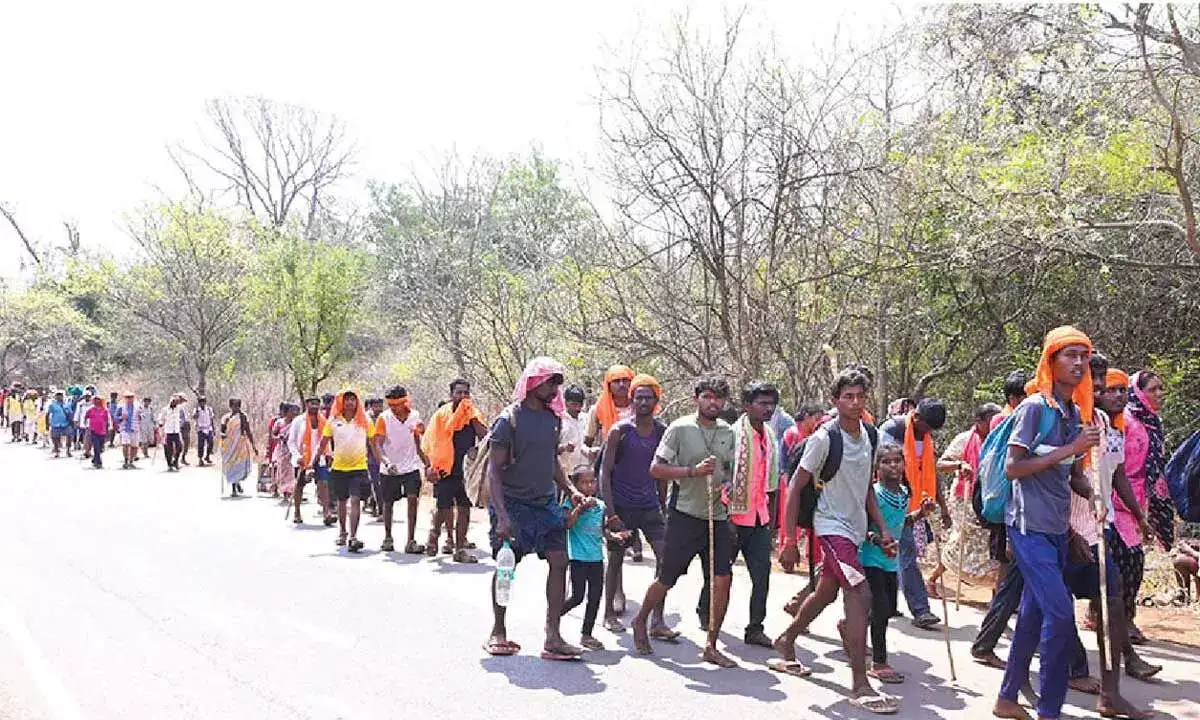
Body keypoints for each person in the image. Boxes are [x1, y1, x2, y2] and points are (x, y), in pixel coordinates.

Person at [992, 326, 1101, 720]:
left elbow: (1071, 475)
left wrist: (1094, 496)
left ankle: (1007, 699)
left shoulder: (1074, 414)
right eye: (1070, 355)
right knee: (1060, 615)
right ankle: (1049, 711)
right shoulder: (1034, 409)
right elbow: (1013, 468)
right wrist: (1071, 448)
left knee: (1034, 614)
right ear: (1050, 362)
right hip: (1027, 527)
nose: (1079, 363)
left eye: (1083, 356)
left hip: (1057, 529)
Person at [775, 367, 898, 714]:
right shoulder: (823, 439)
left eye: (860, 396)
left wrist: (883, 530)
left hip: (855, 528)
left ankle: (786, 640)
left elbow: (866, 489)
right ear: (835, 400)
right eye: (848, 397)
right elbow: (795, 486)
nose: (855, 402)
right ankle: (860, 684)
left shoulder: (871, 436)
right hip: (830, 526)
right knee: (860, 593)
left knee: (826, 592)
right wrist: (789, 540)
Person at [631, 376, 738, 668]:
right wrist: (692, 471)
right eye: (707, 396)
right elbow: (656, 469)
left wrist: (728, 484)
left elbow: (729, 469)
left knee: (723, 579)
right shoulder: (680, 428)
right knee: (667, 577)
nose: (713, 402)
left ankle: (711, 644)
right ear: (696, 399)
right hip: (685, 514)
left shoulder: (728, 432)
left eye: (719, 398)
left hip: (717, 516)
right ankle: (641, 620)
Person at [483, 356, 582, 660]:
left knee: (560, 561)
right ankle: (498, 630)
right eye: (551, 382)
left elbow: (551, 461)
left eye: (558, 384)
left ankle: (553, 637)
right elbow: (493, 472)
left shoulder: (553, 420)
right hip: (512, 504)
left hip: (545, 504)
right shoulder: (508, 420)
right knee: (507, 565)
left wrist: (571, 489)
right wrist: (502, 516)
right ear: (534, 382)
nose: (555, 389)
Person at [699, 380, 781, 648]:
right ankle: (706, 612)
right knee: (720, 572)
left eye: (771, 404)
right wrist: (726, 515)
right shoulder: (732, 435)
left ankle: (755, 627)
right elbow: (721, 477)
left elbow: (772, 483)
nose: (768, 409)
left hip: (759, 517)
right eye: (762, 403)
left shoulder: (770, 436)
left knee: (762, 576)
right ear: (747, 406)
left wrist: (773, 522)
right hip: (733, 517)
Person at [598, 374, 672, 636]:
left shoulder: (662, 431)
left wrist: (663, 504)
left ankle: (658, 620)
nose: (643, 402)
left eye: (648, 398)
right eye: (638, 397)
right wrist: (610, 513)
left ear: (656, 401)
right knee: (616, 559)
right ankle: (608, 614)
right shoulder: (620, 431)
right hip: (622, 506)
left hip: (650, 506)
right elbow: (604, 472)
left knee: (666, 558)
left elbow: (662, 470)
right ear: (631, 401)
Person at [878, 397, 948, 629]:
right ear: (916, 417)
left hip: (915, 502)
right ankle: (921, 610)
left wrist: (942, 506)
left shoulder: (926, 438)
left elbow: (931, 471)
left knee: (897, 553)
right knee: (901, 553)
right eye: (926, 427)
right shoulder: (892, 430)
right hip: (887, 501)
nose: (928, 433)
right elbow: (881, 465)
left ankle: (888, 604)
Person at [1119, 369, 1173, 644]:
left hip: (1140, 500)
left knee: (1130, 561)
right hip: (1119, 499)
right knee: (1130, 561)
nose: (1159, 394)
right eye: (1152, 389)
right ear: (1138, 392)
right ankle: (1123, 621)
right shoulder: (1125, 420)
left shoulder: (1153, 422)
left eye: (1161, 388)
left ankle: (1117, 617)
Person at [863, 443, 920, 684]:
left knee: (886, 608)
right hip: (871, 558)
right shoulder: (873, 495)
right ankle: (879, 662)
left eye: (897, 460)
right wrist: (879, 542)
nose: (893, 466)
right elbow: (861, 527)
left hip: (891, 561)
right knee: (881, 609)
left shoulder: (903, 493)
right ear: (877, 467)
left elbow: (900, 522)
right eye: (886, 462)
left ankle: (851, 626)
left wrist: (921, 514)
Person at [935, 403, 1002, 589]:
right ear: (979, 421)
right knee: (961, 541)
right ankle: (933, 578)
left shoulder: (999, 439)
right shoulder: (964, 439)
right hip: (964, 498)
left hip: (990, 500)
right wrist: (960, 465)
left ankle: (995, 592)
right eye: (992, 420)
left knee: (990, 543)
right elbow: (941, 464)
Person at [421, 379, 487, 561]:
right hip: (444, 470)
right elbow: (429, 443)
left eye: (466, 393)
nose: (463, 396)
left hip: (466, 471)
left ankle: (459, 550)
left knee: (464, 509)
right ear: (451, 394)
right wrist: (428, 467)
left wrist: (473, 418)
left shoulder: (473, 414)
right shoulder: (441, 415)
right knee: (443, 509)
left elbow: (484, 435)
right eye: (459, 392)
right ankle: (434, 534)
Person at [316, 390, 380, 552]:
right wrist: (313, 461)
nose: (350, 402)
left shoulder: (365, 420)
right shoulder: (333, 421)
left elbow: (373, 444)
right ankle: (342, 532)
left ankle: (353, 536)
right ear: (341, 402)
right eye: (347, 400)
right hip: (339, 468)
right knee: (342, 501)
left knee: (356, 500)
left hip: (359, 468)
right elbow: (323, 442)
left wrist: (382, 463)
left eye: (353, 399)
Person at [561, 464, 614, 651]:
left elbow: (602, 530)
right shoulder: (570, 504)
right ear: (575, 485)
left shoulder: (600, 506)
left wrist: (614, 536)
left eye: (592, 482)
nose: (589, 486)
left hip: (596, 559)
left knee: (595, 597)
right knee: (577, 596)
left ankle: (587, 634)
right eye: (584, 483)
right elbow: (568, 524)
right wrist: (580, 509)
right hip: (578, 558)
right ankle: (554, 617)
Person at [375, 385, 431, 553]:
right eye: (390, 405)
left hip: (410, 466)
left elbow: (419, 441)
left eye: (396, 405)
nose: (393, 408)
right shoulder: (384, 418)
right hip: (389, 468)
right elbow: (378, 444)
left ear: (404, 402)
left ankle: (411, 540)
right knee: (388, 503)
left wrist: (427, 462)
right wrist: (386, 462)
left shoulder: (414, 416)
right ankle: (388, 537)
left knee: (413, 500)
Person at [289, 397, 334, 526]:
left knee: (324, 483)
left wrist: (329, 454)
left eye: (317, 404)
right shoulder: (298, 421)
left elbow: (326, 440)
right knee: (299, 485)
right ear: (307, 404)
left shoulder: (324, 421)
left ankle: (327, 513)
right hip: (303, 458)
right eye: (312, 403)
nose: (315, 406)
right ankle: (297, 512)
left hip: (319, 457)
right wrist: (297, 456)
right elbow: (291, 441)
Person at [584, 365, 636, 460]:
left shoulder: (640, 407)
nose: (621, 384)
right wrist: (589, 452)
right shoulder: (597, 410)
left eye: (625, 380)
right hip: (608, 463)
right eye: (616, 381)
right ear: (609, 385)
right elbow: (585, 444)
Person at [219, 399, 257, 496]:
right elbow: (222, 431)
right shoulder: (226, 418)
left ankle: (236, 484)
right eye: (234, 406)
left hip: (240, 446)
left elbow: (248, 431)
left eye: (237, 406)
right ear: (230, 406)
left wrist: (253, 446)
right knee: (231, 467)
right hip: (229, 447)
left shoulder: (243, 417)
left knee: (239, 466)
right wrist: (223, 435)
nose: (236, 408)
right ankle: (234, 487)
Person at [558, 385, 589, 476]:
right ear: (566, 403)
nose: (577, 408)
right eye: (574, 404)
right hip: (566, 473)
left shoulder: (586, 419)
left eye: (580, 405)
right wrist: (564, 447)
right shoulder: (559, 421)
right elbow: (550, 449)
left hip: (585, 472)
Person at [270, 403, 299, 500]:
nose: (293, 413)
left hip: (292, 450)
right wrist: (280, 437)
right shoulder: (279, 423)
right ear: (286, 412)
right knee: (282, 470)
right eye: (291, 411)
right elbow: (273, 435)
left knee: (291, 471)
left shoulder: (295, 423)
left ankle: (289, 491)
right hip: (282, 449)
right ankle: (283, 491)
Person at [113, 391, 140, 469]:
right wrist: (121, 418)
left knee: (134, 446)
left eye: (131, 397)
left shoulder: (138, 407)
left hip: (135, 428)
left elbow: (143, 415)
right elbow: (115, 418)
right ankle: (126, 460)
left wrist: (140, 416)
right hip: (125, 429)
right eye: (127, 397)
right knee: (126, 444)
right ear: (125, 398)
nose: (129, 399)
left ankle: (131, 461)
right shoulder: (121, 407)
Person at [83, 395, 111, 469]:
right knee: (96, 446)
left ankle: (95, 458)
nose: (96, 401)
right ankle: (98, 462)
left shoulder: (104, 410)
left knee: (100, 448)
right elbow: (86, 417)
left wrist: (108, 430)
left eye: (98, 399)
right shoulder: (91, 410)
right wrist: (86, 425)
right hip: (93, 431)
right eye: (95, 399)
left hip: (102, 431)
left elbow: (107, 421)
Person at [159, 396, 184, 471]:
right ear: (170, 401)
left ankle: (175, 461)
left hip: (176, 431)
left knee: (179, 447)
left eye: (175, 401)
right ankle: (169, 464)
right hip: (168, 431)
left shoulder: (179, 409)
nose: (174, 402)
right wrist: (161, 423)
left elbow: (182, 417)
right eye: (173, 401)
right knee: (168, 449)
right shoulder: (165, 409)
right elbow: (161, 418)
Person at [47, 391, 71, 458]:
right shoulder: (52, 405)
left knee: (69, 436)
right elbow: (48, 414)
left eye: (60, 395)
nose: (59, 397)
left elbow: (70, 413)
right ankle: (57, 451)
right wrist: (47, 424)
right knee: (55, 438)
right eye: (57, 395)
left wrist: (71, 422)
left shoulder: (67, 404)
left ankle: (68, 451)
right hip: (55, 424)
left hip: (65, 423)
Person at [194, 396, 216, 466]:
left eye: (203, 402)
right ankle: (200, 459)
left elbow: (211, 419)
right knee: (201, 445)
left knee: (211, 443)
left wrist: (213, 429)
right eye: (201, 402)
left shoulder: (209, 409)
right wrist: (197, 412)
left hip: (208, 428)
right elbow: (194, 417)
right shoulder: (197, 409)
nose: (202, 403)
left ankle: (207, 456)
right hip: (200, 429)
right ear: (199, 403)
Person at [177, 395, 192, 465]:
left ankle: (183, 458)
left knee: (187, 442)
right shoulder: (176, 407)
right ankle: (175, 458)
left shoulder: (186, 408)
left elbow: (187, 417)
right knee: (179, 444)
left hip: (186, 425)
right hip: (178, 426)